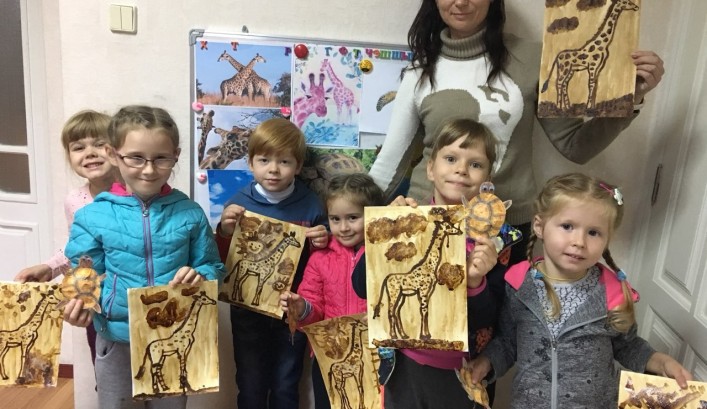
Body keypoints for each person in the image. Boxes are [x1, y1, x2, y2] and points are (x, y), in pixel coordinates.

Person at [368, 0, 665, 266]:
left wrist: (632, 99)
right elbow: (390, 162)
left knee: (497, 311)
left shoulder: (534, 59)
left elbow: (575, 146)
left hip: (507, 230)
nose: (460, 2)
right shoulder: (419, 71)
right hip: (429, 219)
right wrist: (352, 218)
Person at [467, 172, 692, 408]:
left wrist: (660, 361)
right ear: (540, 226)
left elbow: (627, 345)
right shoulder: (518, 284)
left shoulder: (611, 291)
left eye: (593, 232)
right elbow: (507, 342)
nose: (579, 242)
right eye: (567, 226)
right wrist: (487, 361)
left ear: (607, 239)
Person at [62, 105, 225, 409]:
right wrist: (80, 302)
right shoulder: (92, 216)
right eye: (136, 157)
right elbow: (83, 275)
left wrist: (201, 275)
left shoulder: (190, 213)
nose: (149, 170)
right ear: (113, 154)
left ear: (175, 155)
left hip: (173, 332)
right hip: (117, 339)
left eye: (161, 158)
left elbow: (213, 267)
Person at [354, 118, 521, 409]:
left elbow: (488, 318)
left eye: (475, 164)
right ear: (430, 169)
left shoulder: (498, 241)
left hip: (461, 372)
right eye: (451, 159)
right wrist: (385, 234)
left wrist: (475, 282)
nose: (461, 169)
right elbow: (361, 286)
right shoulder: (407, 220)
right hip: (403, 366)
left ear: (487, 179)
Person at [216, 117, 329, 409]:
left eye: (284, 161)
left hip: (292, 310)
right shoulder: (239, 204)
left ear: (298, 166)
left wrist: (322, 241)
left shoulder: (311, 205)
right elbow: (223, 261)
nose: (274, 169)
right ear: (250, 163)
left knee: (286, 385)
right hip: (248, 311)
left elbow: (323, 261)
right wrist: (225, 230)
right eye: (264, 160)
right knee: (250, 384)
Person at [15, 109, 118, 364]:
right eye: (78, 147)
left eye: (100, 144)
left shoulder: (137, 193)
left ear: (117, 149)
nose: (90, 153)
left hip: (130, 299)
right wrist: (49, 268)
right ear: (69, 156)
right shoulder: (75, 200)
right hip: (95, 303)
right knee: (105, 371)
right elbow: (77, 250)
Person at [278, 173, 385, 409]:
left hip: (377, 356)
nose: (343, 227)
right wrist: (301, 308)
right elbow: (314, 309)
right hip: (330, 357)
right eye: (335, 219)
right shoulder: (319, 258)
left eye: (353, 218)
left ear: (373, 214)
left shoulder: (385, 254)